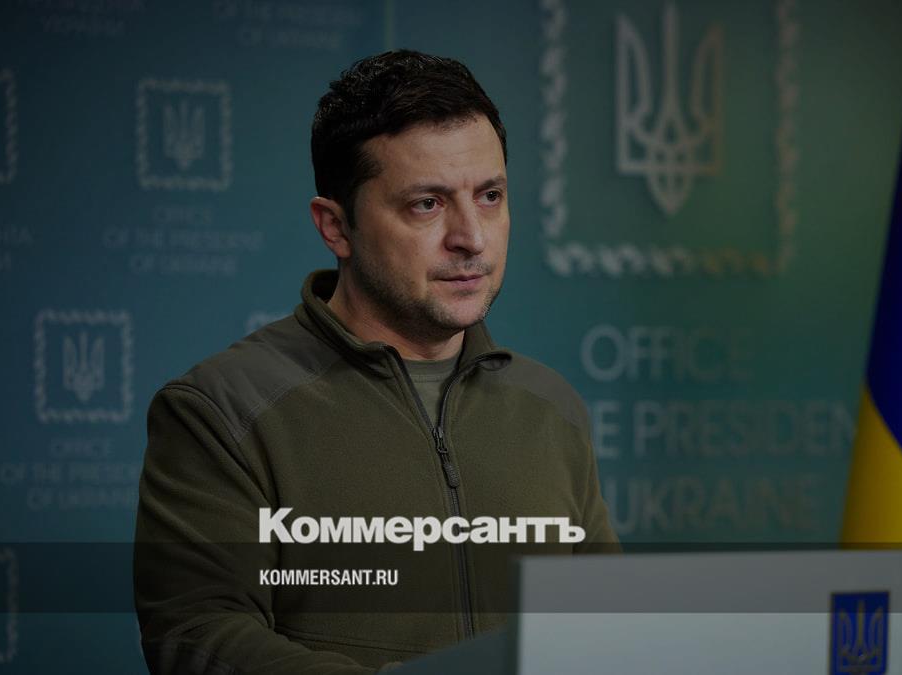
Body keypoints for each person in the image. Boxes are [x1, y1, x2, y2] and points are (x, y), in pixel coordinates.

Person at [133, 50, 619, 673]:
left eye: (490, 196)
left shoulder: (551, 407)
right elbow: (199, 634)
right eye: (427, 204)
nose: (471, 236)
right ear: (336, 227)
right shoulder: (221, 411)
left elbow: (607, 628)